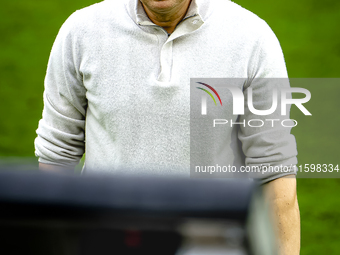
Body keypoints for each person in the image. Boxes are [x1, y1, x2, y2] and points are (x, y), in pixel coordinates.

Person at [35, 0, 300, 254]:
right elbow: (57, 156)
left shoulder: (252, 37)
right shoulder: (81, 31)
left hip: (210, 246)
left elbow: (275, 173)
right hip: (108, 241)